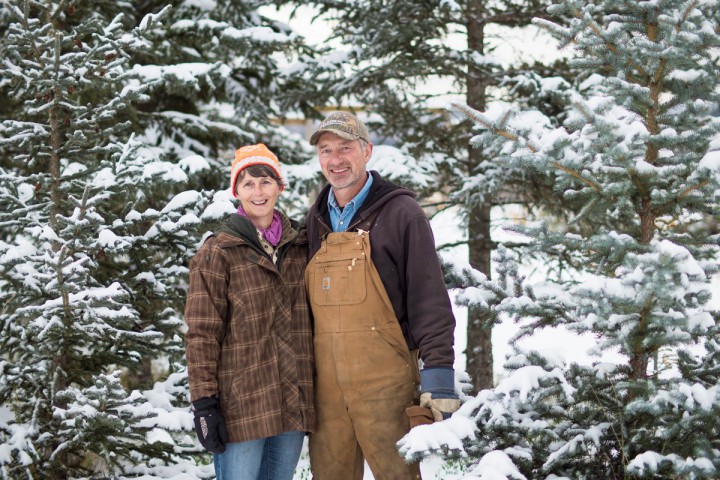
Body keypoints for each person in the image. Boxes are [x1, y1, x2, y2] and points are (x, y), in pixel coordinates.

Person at [305, 111, 461, 480]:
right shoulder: (316, 219)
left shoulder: (402, 213)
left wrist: (438, 376)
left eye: (345, 148)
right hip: (326, 389)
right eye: (326, 150)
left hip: (385, 386)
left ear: (367, 151)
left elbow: (429, 296)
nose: (336, 160)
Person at [184, 143, 315, 480]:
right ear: (236, 191)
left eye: (266, 181)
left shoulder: (300, 246)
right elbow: (201, 335)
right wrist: (204, 403)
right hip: (242, 406)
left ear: (279, 186)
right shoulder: (218, 252)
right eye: (248, 184)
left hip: (291, 401)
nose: (258, 191)